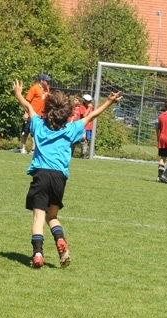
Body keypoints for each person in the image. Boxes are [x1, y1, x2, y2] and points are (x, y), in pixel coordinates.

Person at [13, 79, 122, 268]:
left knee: (39, 218)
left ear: (47, 109)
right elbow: (92, 116)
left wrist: (18, 94)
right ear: (67, 113)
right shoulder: (71, 129)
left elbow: (28, 107)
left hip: (41, 175)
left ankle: (38, 254)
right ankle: (60, 240)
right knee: (52, 216)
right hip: (59, 178)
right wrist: (109, 102)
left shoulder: (38, 125)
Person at [19, 73, 51, 154]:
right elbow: (27, 101)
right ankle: (23, 148)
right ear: (41, 81)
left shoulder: (47, 89)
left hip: (41, 115)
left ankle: (33, 149)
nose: (48, 82)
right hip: (32, 114)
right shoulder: (34, 88)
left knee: (36, 132)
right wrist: (26, 113)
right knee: (26, 131)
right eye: (46, 81)